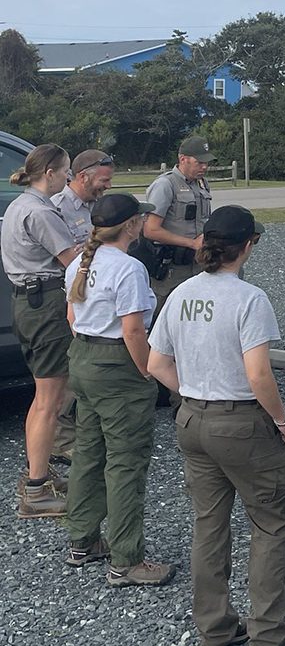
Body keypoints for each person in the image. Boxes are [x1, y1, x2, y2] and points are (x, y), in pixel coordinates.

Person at [148, 205, 285, 646]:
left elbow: (155, 364)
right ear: (247, 246)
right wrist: (282, 420)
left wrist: (196, 392)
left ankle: (215, 628)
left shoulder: (182, 293)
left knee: (209, 524)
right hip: (241, 423)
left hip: (192, 420)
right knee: (270, 522)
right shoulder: (249, 299)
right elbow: (258, 374)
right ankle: (270, 635)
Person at [63, 193, 175, 586]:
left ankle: (82, 538)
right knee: (126, 462)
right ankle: (126, 559)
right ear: (131, 225)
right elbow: (132, 328)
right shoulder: (129, 268)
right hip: (116, 364)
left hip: (84, 358)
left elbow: (72, 317)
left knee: (89, 453)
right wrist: (147, 369)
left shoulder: (80, 262)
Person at [2, 143, 80, 517]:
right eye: (66, 170)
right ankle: (36, 491)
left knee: (41, 397)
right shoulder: (40, 211)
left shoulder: (19, 205)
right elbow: (72, 261)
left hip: (28, 302)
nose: (69, 177)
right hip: (47, 302)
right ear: (49, 172)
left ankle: (39, 472)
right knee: (51, 400)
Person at [48, 148, 115, 462]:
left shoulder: (100, 206)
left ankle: (88, 432)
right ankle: (61, 440)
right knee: (68, 368)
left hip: (100, 297)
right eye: (103, 180)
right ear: (83, 175)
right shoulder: (57, 208)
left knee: (93, 364)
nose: (107, 186)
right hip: (71, 298)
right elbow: (61, 258)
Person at [144, 135, 214, 312]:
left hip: (196, 263)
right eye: (199, 162)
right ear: (183, 159)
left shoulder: (202, 184)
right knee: (162, 316)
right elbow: (150, 230)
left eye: (206, 163)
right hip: (171, 268)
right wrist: (191, 243)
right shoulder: (165, 185)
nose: (204, 167)